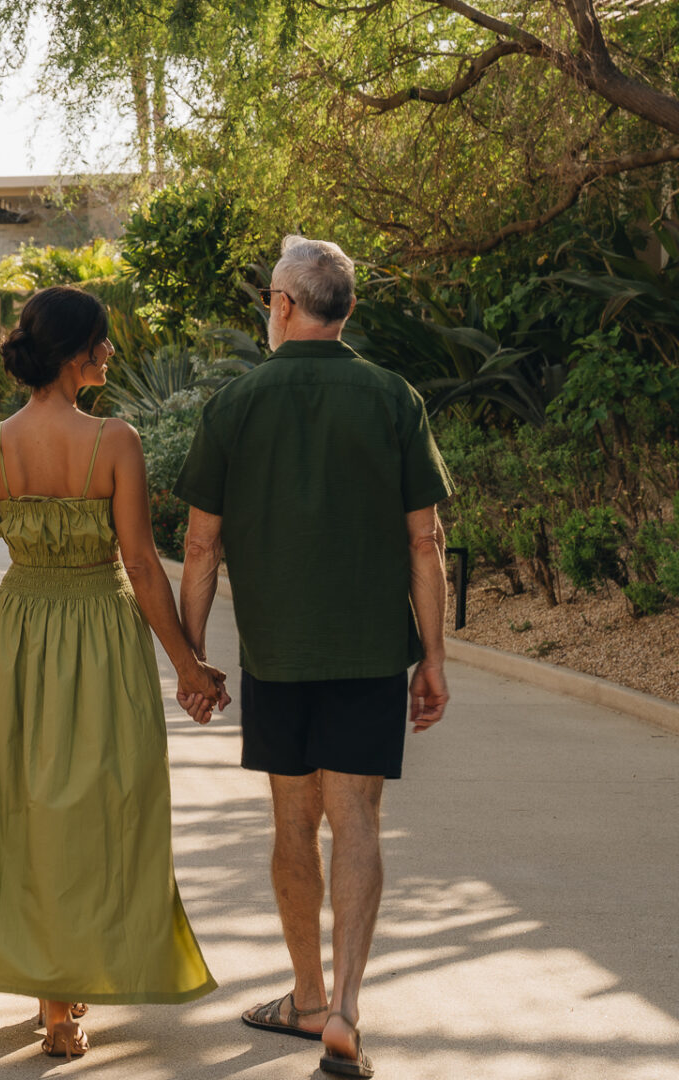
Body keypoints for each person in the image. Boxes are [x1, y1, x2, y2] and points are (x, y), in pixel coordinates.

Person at [0, 284, 226, 1060]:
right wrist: (187, 667)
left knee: (27, 805)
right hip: (102, 632)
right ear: (77, 354)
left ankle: (55, 995)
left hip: (20, 633)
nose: (111, 353)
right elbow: (140, 564)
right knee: (102, 805)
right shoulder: (116, 441)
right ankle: (66, 991)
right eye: (103, 342)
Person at [174, 235, 453, 1079]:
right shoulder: (392, 397)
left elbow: (199, 545)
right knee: (357, 820)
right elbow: (425, 540)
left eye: (270, 300)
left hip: (277, 654)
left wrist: (194, 659)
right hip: (369, 651)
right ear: (349, 311)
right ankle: (344, 1012)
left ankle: (302, 995)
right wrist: (433, 656)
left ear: (285, 305)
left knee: (294, 821)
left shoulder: (237, 404)